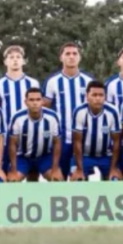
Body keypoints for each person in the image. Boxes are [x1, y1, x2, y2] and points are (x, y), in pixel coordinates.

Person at [43, 42, 94, 176]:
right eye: (67, 54)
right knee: (59, 177)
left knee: (80, 177)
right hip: (61, 139)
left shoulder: (88, 81)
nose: (71, 57)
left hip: (83, 137)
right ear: (61, 57)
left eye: (74, 54)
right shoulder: (53, 81)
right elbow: (45, 109)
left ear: (80, 57)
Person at [7, 88, 63, 181]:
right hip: (23, 157)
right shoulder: (17, 117)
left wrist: (55, 168)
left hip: (45, 157)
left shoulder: (53, 117)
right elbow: (12, 144)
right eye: (31, 100)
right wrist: (13, 170)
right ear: (26, 102)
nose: (35, 103)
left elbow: (57, 143)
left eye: (38, 99)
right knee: (12, 180)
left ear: (43, 101)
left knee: (57, 179)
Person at [71, 81, 123, 181]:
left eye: (101, 95)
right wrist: (79, 169)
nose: (98, 98)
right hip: (85, 156)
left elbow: (116, 141)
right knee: (77, 180)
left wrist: (113, 168)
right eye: (94, 95)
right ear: (87, 96)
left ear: (105, 97)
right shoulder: (79, 111)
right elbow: (77, 142)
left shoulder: (112, 112)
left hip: (106, 156)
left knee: (116, 179)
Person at [0, 45, 39, 122]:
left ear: (23, 61)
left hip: (29, 128)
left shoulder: (33, 83)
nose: (15, 60)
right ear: (5, 62)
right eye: (11, 57)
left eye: (18, 57)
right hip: (6, 130)